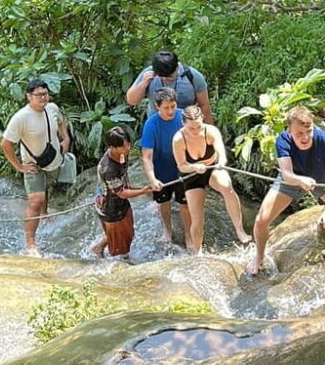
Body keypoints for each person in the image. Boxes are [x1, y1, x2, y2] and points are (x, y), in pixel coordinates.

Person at [247, 106, 325, 276]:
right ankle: (259, 256)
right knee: (261, 221)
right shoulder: (283, 140)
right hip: (291, 181)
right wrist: (299, 180)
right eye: (299, 133)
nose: (305, 137)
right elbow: (287, 174)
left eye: (308, 131)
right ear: (289, 131)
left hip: (320, 180)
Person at [0, 79, 71, 256]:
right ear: (29, 96)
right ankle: (30, 243)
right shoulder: (21, 117)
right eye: (38, 95)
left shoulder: (52, 108)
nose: (42, 98)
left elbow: (61, 121)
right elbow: (5, 144)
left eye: (45, 94)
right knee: (35, 201)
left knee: (46, 189)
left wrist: (65, 138)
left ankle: (44, 214)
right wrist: (19, 166)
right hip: (32, 164)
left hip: (53, 159)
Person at [172, 105, 252, 253]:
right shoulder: (178, 139)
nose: (195, 131)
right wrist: (194, 167)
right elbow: (182, 166)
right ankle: (197, 252)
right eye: (191, 128)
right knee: (197, 218)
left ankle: (240, 230)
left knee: (227, 187)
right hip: (191, 175)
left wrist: (221, 162)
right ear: (183, 124)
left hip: (212, 168)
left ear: (203, 119)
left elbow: (221, 154)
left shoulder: (211, 131)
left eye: (198, 126)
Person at [140, 87, 196, 250]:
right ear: (157, 106)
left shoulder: (183, 117)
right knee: (163, 203)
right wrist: (152, 179)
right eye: (166, 108)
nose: (170, 111)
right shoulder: (151, 125)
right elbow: (146, 157)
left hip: (182, 169)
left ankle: (188, 234)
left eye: (173, 106)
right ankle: (167, 229)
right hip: (161, 170)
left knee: (184, 204)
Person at [91, 127, 152, 260]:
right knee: (121, 241)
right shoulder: (108, 169)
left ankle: (99, 247)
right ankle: (123, 261)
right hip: (110, 208)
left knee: (127, 233)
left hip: (120, 204)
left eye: (128, 144)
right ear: (112, 147)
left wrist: (135, 187)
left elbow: (124, 175)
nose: (128, 148)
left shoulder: (122, 154)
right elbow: (122, 193)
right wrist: (143, 191)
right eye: (123, 146)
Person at [125, 50, 213, 123]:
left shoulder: (192, 76)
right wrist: (143, 84)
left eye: (169, 77)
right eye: (161, 76)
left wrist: (208, 133)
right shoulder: (148, 74)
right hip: (157, 127)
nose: (165, 79)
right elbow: (131, 101)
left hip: (187, 127)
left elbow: (204, 105)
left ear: (177, 67)